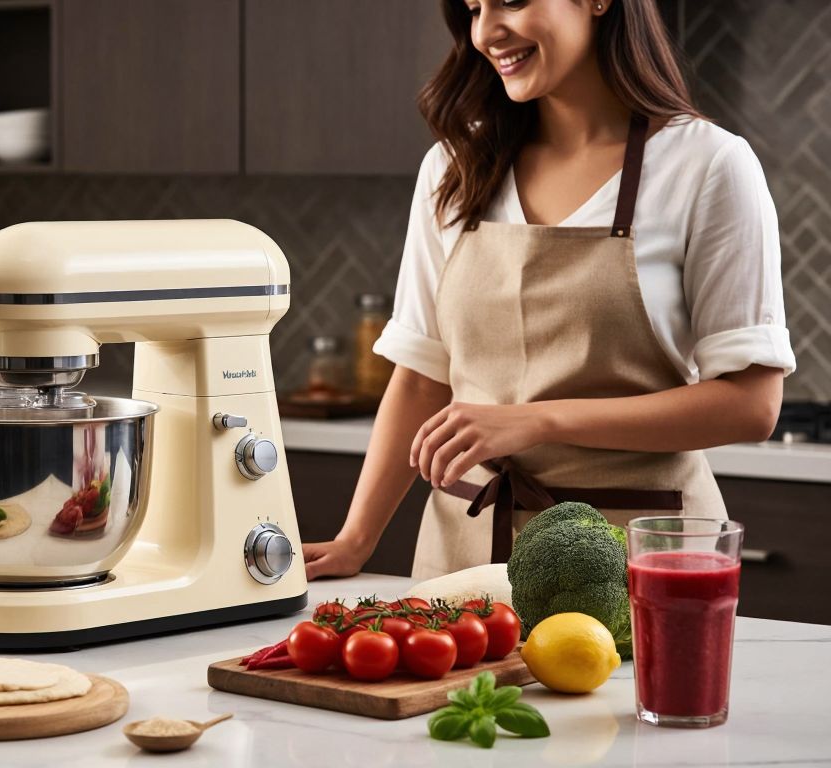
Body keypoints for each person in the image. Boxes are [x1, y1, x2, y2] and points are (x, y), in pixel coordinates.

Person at [304, 0, 795, 581]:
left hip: (633, 555)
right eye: (474, 7)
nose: (486, 31)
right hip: (465, 553)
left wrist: (539, 420)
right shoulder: (454, 168)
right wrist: (357, 538)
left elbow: (750, 405)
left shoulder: (708, 165)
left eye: (511, 1)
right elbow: (421, 375)